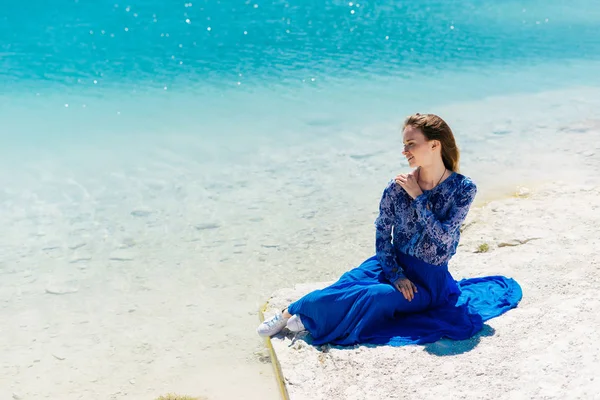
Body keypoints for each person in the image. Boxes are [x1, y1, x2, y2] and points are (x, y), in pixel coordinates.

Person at [257, 113, 520, 346]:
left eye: (411, 144)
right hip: (390, 264)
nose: (405, 151)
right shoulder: (395, 188)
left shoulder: (463, 189)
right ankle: (289, 314)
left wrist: (418, 197)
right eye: (404, 145)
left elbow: (443, 237)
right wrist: (394, 273)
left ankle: (304, 317)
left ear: (434, 145)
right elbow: (382, 233)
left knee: (374, 295)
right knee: (348, 281)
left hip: (429, 282)